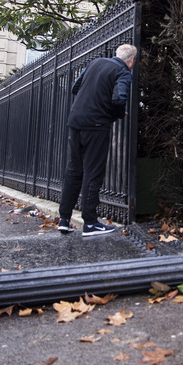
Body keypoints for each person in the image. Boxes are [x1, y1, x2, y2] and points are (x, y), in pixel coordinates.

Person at [58, 44, 137, 237]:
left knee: (74, 170)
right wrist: (118, 114)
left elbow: (75, 87)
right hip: (96, 126)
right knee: (93, 172)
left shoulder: (95, 63)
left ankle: (64, 219)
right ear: (132, 60)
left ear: (117, 54)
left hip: (75, 121)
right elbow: (119, 99)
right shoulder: (123, 71)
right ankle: (90, 223)